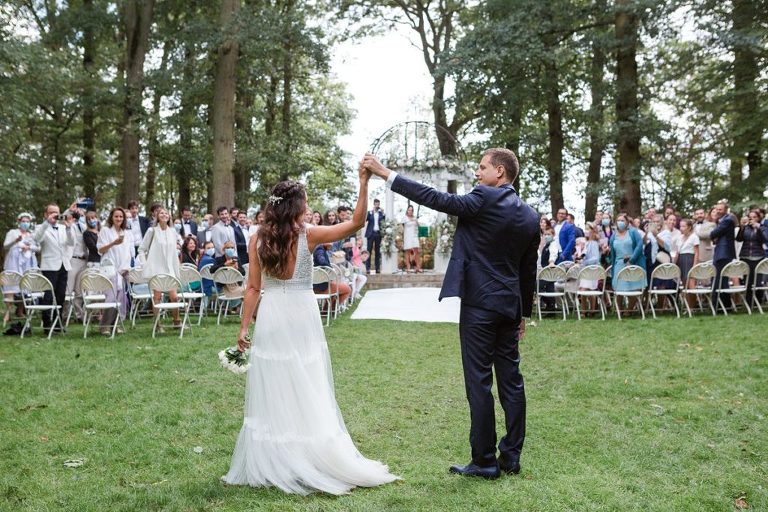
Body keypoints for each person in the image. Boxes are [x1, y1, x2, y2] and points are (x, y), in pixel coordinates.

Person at [363, 148, 539, 479]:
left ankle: (485, 461)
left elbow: (437, 199)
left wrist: (387, 174)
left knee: (479, 382)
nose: (477, 172)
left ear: (499, 173)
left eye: (483, 167)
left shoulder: (484, 198)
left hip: (480, 306)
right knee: (512, 381)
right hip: (508, 307)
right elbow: (527, 271)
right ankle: (511, 456)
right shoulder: (529, 216)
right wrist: (522, 314)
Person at [222, 171, 399, 495]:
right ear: (296, 207)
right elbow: (357, 223)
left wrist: (244, 327)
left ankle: (280, 458)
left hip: (273, 313)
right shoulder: (310, 234)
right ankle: (308, 453)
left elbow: (252, 289)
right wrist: (362, 183)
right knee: (306, 378)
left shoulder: (258, 239)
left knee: (277, 383)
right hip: (302, 313)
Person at [33, 203, 76, 334]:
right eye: (51, 212)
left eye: (56, 212)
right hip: (50, 266)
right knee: (48, 296)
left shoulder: (63, 227)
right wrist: (47, 223)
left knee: (61, 296)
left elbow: (71, 242)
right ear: (46, 214)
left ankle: (58, 324)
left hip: (64, 265)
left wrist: (69, 228)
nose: (54, 214)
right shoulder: (41, 227)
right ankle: (47, 324)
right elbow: (37, 239)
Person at [138, 207, 182, 329]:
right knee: (156, 297)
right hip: (156, 269)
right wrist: (145, 264)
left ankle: (177, 321)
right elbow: (142, 249)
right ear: (157, 216)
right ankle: (157, 324)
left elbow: (174, 251)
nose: (164, 215)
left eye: (166, 213)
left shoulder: (173, 232)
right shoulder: (152, 231)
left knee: (174, 296)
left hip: (170, 269)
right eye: (161, 213)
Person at [96, 207, 132, 335]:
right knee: (110, 298)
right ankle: (104, 325)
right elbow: (100, 250)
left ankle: (115, 324)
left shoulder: (126, 233)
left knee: (120, 299)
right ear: (112, 217)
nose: (119, 219)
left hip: (122, 270)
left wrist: (126, 268)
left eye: (121, 217)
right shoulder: (105, 231)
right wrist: (113, 243)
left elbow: (128, 253)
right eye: (116, 216)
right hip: (109, 269)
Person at [3, 213, 39, 329]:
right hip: (14, 261)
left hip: (28, 261)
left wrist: (29, 247)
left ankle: (20, 310)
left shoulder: (32, 235)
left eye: (27, 221)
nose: (25, 223)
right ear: (19, 222)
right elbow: (5, 246)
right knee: (12, 285)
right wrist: (15, 241)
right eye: (23, 221)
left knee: (25, 285)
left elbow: (38, 248)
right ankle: (7, 312)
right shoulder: (13, 233)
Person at [609, 213, 645, 313]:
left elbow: (639, 245)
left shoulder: (633, 232)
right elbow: (612, 253)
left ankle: (629, 310)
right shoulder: (613, 236)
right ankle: (619, 311)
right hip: (618, 264)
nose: (620, 222)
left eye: (622, 220)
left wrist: (631, 259)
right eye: (618, 220)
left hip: (632, 263)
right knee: (619, 288)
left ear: (627, 222)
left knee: (634, 288)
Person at [736, 209, 767, 304]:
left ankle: (758, 302)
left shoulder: (763, 227)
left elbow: (765, 239)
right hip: (745, 257)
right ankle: (749, 304)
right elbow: (739, 239)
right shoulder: (745, 228)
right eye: (750, 217)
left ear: (758, 218)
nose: (752, 219)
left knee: (757, 282)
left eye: (754, 217)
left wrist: (758, 228)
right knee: (748, 282)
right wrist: (741, 228)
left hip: (758, 257)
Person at [710, 201, 737, 308]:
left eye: (720, 209)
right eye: (717, 209)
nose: (718, 211)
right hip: (723, 252)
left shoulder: (727, 220)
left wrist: (713, 233)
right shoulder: (723, 220)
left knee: (717, 278)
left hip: (723, 253)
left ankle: (715, 305)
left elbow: (713, 233)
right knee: (723, 279)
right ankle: (726, 306)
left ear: (726, 210)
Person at [365, 199, 385, 274]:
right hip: (370, 234)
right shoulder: (370, 213)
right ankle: (368, 268)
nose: (377, 205)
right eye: (376, 204)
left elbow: (384, 221)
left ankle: (377, 268)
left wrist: (383, 213)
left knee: (378, 252)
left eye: (378, 204)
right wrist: (371, 212)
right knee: (368, 251)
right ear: (374, 204)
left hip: (378, 234)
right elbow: (365, 220)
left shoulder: (381, 213)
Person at [402, 204, 422, 273]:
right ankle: (408, 267)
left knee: (417, 252)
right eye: (409, 210)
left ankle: (418, 267)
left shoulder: (415, 217)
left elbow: (419, 226)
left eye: (411, 210)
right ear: (407, 211)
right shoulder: (404, 218)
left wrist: (416, 221)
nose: (410, 211)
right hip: (407, 236)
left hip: (414, 236)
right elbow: (402, 228)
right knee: (407, 252)